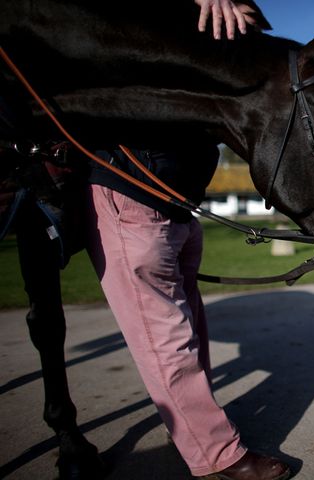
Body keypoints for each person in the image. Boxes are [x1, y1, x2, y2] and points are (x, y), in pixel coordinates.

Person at [85, 2, 290, 479]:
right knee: (167, 342)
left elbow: (250, 20)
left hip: (178, 202)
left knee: (191, 333)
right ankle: (216, 458)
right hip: (131, 190)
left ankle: (202, 425)